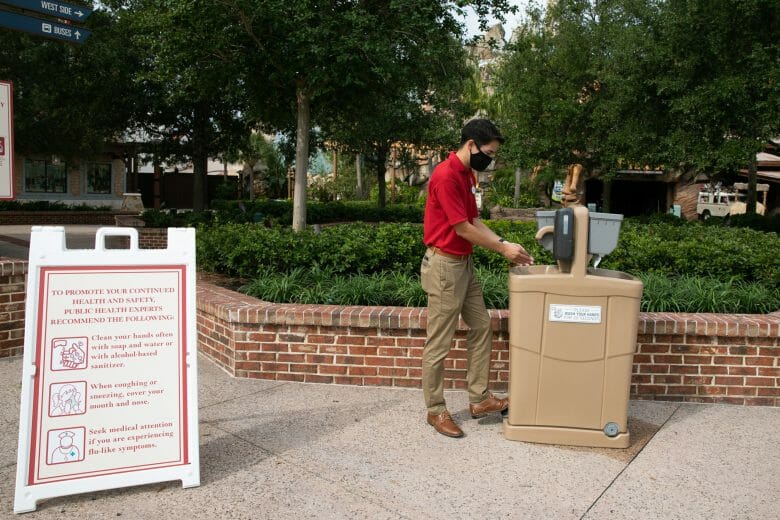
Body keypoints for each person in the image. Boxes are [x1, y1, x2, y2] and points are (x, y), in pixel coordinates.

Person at [421, 118, 533, 438]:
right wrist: (502, 249)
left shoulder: (468, 173)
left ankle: (480, 399)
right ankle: (436, 410)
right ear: (471, 145)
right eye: (489, 152)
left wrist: (507, 245)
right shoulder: (445, 175)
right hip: (444, 267)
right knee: (439, 343)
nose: (491, 159)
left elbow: (474, 219)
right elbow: (462, 228)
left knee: (482, 325)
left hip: (463, 264)